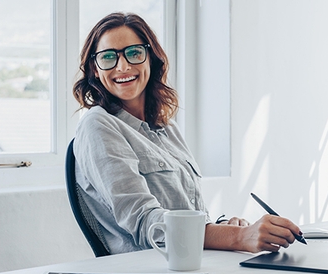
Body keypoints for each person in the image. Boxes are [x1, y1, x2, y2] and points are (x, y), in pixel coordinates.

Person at [72, 12, 302, 255]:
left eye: (134, 53)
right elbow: (146, 223)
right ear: (94, 70)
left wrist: (223, 228)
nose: (123, 66)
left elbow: (189, 212)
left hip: (192, 264)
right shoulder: (97, 125)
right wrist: (239, 237)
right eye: (108, 57)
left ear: (151, 58)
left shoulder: (166, 126)